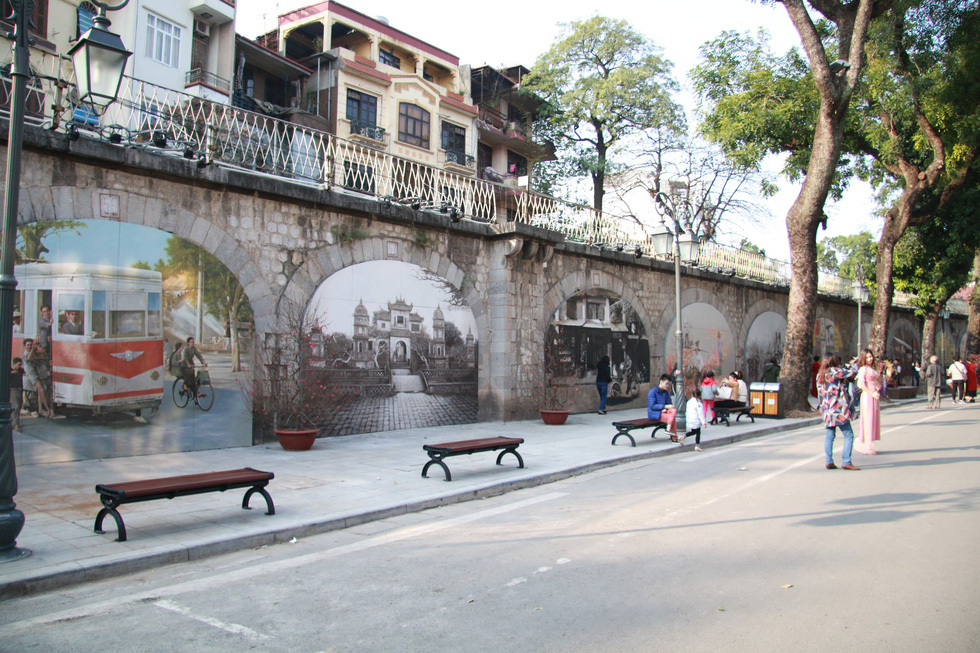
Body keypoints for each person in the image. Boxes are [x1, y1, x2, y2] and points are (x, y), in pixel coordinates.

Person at [816, 354, 860, 470]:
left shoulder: (820, 375)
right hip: (839, 409)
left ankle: (829, 460)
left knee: (830, 436)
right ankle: (846, 461)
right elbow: (854, 373)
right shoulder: (835, 372)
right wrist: (852, 364)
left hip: (827, 410)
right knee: (848, 435)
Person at [855, 349, 881, 455]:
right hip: (867, 397)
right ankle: (865, 444)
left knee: (873, 419)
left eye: (871, 356)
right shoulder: (863, 369)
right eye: (867, 357)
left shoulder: (871, 368)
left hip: (874, 396)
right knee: (868, 420)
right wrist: (872, 393)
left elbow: (875, 381)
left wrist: (878, 387)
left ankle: (869, 444)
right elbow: (860, 384)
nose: (870, 359)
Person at [23, 338, 53, 418]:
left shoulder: (31, 353)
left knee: (41, 391)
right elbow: (29, 358)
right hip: (32, 374)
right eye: (28, 345)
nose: (29, 347)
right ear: (25, 346)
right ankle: (46, 408)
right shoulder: (26, 353)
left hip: (35, 374)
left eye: (30, 345)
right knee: (41, 390)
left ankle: (41, 409)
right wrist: (33, 348)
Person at [682, 384, 706, 452]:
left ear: (692, 395)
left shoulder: (689, 402)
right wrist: (704, 422)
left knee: (693, 431)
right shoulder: (698, 404)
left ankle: (684, 436)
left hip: (690, 419)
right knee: (698, 433)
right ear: (699, 396)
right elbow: (701, 414)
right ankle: (697, 445)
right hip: (696, 420)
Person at [10, 357, 24, 431]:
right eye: (18, 365)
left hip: (19, 389)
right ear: (14, 364)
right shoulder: (10, 371)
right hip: (13, 389)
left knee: (19, 406)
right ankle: (15, 424)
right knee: (16, 406)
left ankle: (16, 422)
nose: (20, 366)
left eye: (21, 365)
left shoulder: (21, 370)